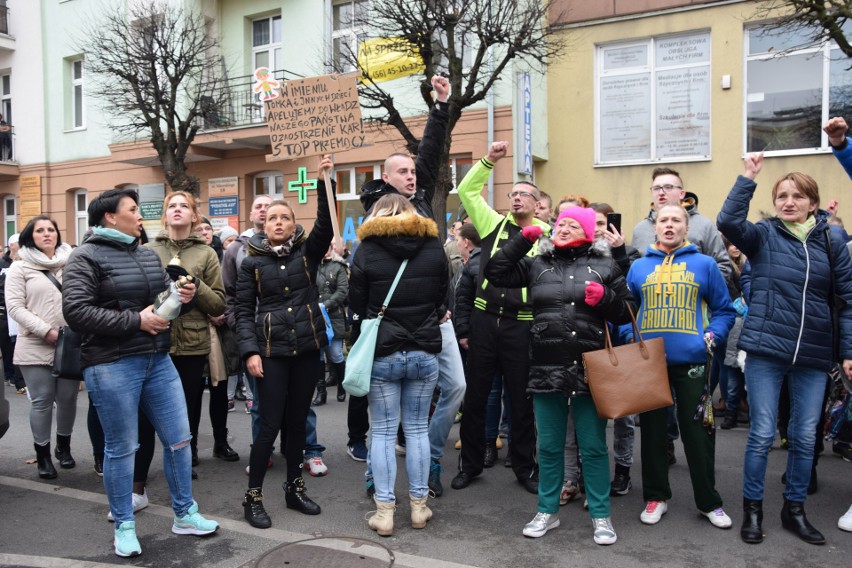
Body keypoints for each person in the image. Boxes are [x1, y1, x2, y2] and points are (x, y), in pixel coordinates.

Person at [63, 188, 219, 558]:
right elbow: (76, 312)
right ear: (110, 218)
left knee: (180, 439)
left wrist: (175, 299)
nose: (140, 215)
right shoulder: (84, 257)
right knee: (122, 449)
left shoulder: (147, 255)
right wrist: (136, 320)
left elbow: (158, 307)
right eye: (133, 210)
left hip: (157, 359)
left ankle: (185, 514)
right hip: (111, 364)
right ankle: (125, 525)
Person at [718, 154, 852, 545]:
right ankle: (753, 511)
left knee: (806, 436)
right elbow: (727, 222)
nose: (788, 202)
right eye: (782, 196)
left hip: (813, 353)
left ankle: (794, 510)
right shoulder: (763, 235)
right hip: (766, 350)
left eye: (797, 196)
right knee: (761, 433)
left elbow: (846, 301)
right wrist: (748, 177)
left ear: (813, 202)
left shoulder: (833, 241)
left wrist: (847, 351)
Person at [485, 206, 636, 545]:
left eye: (571, 224)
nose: (562, 228)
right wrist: (521, 241)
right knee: (550, 446)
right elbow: (495, 272)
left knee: (594, 447)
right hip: (545, 366)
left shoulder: (605, 265)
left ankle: (601, 516)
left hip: (589, 368)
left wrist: (607, 298)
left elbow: (629, 311)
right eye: (559, 223)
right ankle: (547, 511)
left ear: (585, 231)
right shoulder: (537, 263)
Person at [359, 76, 465, 498]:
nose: (411, 176)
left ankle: (430, 456)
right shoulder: (378, 209)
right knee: (379, 409)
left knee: (456, 385)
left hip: (433, 317)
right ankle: (375, 470)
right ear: (386, 179)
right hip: (387, 327)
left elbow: (432, 149)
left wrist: (441, 105)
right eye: (401, 172)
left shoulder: (420, 199)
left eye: (412, 171)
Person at [236, 156, 335, 529]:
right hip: (271, 355)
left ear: (294, 225)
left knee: (297, 424)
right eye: (272, 218)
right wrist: (249, 352)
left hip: (307, 352)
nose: (278, 222)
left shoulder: (307, 254)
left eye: (286, 217)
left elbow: (325, 225)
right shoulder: (251, 263)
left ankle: (294, 490)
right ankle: (253, 498)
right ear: (263, 224)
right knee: (268, 426)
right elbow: (242, 311)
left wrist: (325, 181)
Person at [625, 203, 735, 530]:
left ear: (687, 227)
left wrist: (713, 335)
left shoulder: (705, 265)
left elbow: (725, 310)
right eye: (663, 221)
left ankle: (709, 502)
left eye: (676, 220)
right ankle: (656, 497)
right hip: (649, 363)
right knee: (655, 434)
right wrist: (629, 337)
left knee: (699, 432)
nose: (669, 225)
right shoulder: (638, 267)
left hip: (693, 363)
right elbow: (626, 313)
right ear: (654, 227)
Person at [452, 140, 549, 494]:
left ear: (539, 205)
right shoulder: (492, 223)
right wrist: (489, 160)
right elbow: (466, 189)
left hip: (523, 326)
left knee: (522, 402)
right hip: (484, 322)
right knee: (476, 398)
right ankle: (471, 465)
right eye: (513, 193)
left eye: (525, 194)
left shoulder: (549, 237)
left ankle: (525, 468)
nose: (517, 198)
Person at [349, 194, 447, 537]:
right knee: (418, 429)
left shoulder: (366, 250)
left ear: (376, 214)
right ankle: (419, 508)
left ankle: (385, 511)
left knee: (384, 432)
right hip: (423, 350)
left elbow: (357, 305)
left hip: (383, 352)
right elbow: (441, 298)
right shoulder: (434, 246)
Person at [146, 205, 233, 474]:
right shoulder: (148, 250)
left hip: (192, 342)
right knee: (148, 407)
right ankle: (144, 466)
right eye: (172, 206)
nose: (177, 210)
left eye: (184, 206)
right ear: (165, 215)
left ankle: (186, 455)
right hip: (155, 338)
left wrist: (194, 282)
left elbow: (218, 304)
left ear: (194, 216)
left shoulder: (206, 253)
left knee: (187, 405)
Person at [5, 216, 77, 479]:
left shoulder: (72, 263)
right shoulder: (20, 267)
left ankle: (64, 446)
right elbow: (15, 307)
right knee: (43, 400)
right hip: (34, 342)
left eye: (51, 229)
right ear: (30, 236)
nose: (47, 234)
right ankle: (43, 456)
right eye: (40, 230)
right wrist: (45, 330)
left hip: (69, 342)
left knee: (68, 398)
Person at [590, 202, 642, 496]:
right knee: (592, 416)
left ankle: (623, 471)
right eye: (593, 223)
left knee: (624, 416)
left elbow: (632, 291)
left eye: (602, 223)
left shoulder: (629, 253)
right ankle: (590, 471)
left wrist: (619, 252)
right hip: (592, 343)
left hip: (621, 342)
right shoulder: (581, 253)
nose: (597, 229)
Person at [631, 167, 732, 281]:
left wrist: (699, 291)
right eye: (656, 188)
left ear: (682, 194)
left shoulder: (704, 226)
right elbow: (634, 272)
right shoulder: (640, 230)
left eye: (668, 187)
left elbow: (722, 266)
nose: (661, 193)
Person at [313, 240, 349, 406]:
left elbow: (342, 291)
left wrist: (325, 305)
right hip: (315, 317)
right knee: (318, 355)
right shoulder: (311, 266)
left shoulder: (339, 266)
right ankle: (321, 392)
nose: (325, 250)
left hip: (333, 316)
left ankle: (341, 386)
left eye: (327, 247)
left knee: (335, 354)